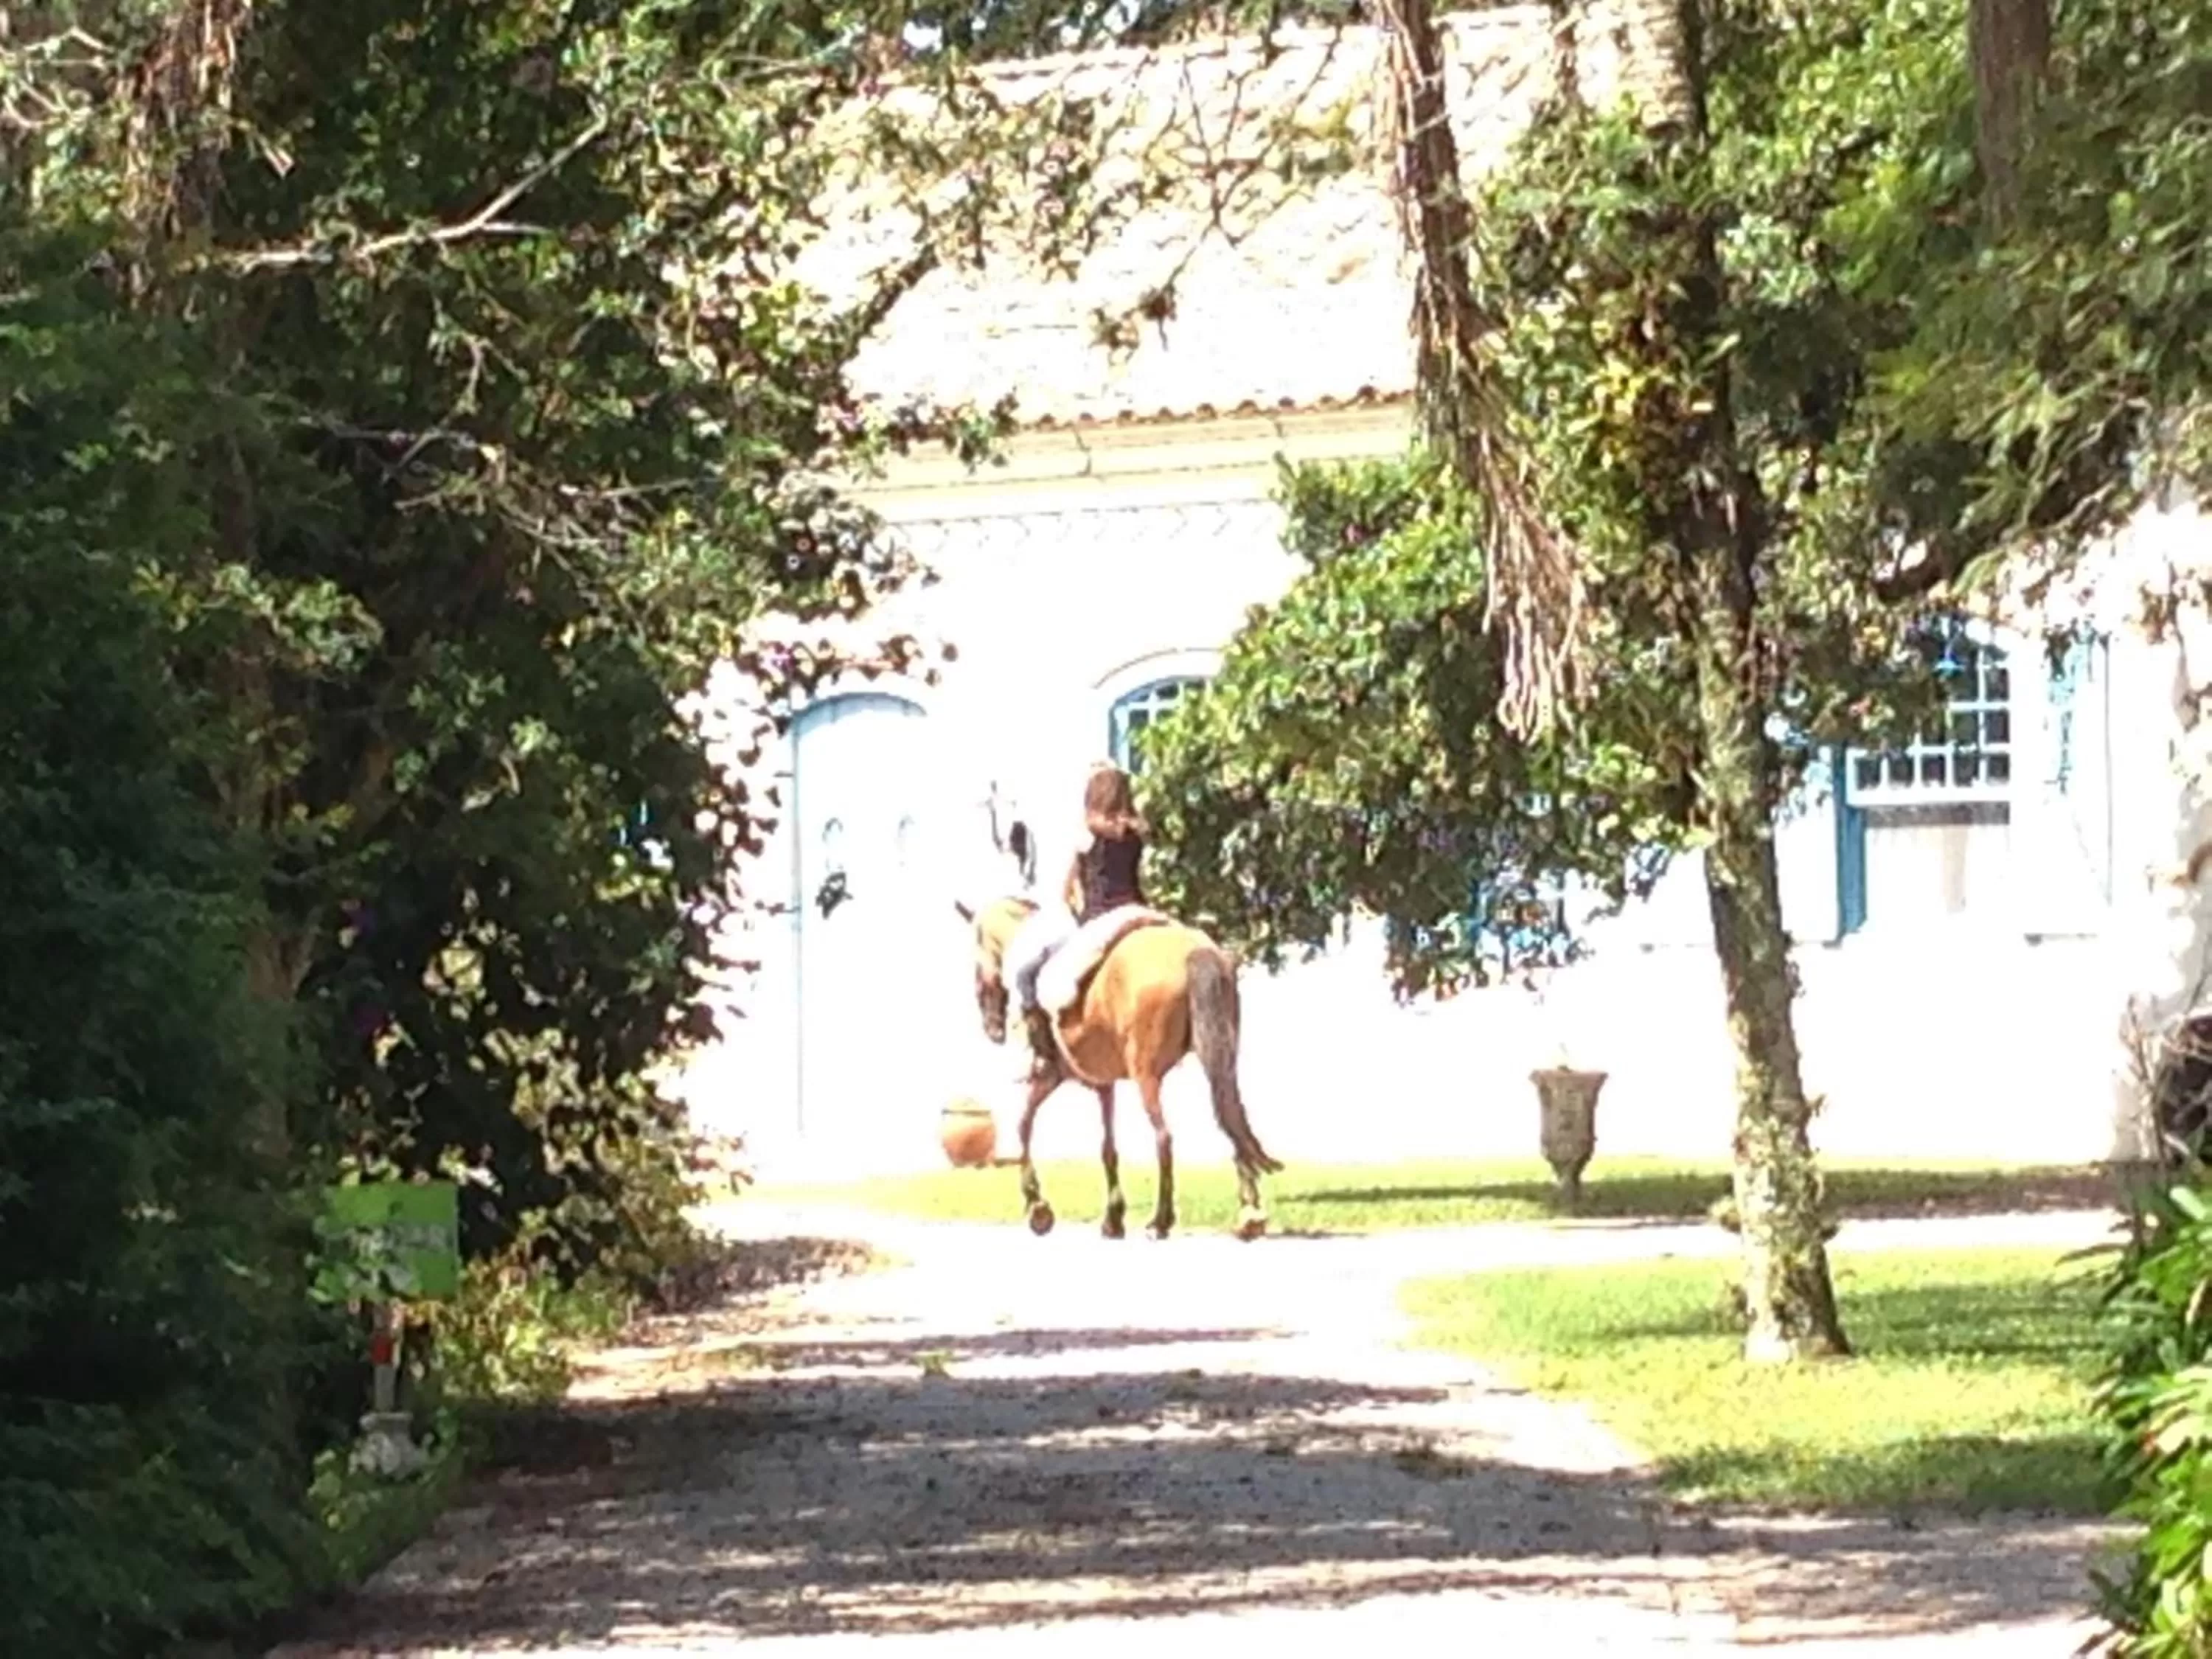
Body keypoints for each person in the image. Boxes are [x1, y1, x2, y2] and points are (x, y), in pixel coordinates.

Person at [1004, 761, 1150, 1072]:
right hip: (1139, 910)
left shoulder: (1086, 835)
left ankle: (1044, 1053)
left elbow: (1065, 888)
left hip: (1100, 916)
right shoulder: (1138, 833)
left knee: (1028, 973)